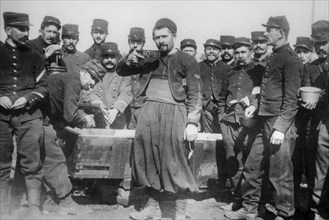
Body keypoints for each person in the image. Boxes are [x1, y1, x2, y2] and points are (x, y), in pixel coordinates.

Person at [117, 18, 203, 220]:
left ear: (174, 35)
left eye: (164, 36)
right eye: (156, 37)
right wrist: (128, 58)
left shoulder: (188, 60)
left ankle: (178, 211)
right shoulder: (150, 58)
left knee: (175, 161)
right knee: (148, 159)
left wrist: (192, 122)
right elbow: (122, 70)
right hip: (149, 111)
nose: (161, 41)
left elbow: (196, 94)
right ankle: (151, 206)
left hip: (175, 112)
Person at [28, 15, 92, 215]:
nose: (53, 36)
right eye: (50, 31)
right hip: (28, 110)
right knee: (29, 157)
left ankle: (60, 199)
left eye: (56, 32)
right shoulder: (32, 49)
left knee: (50, 154)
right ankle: (31, 203)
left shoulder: (58, 52)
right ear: (40, 31)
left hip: (46, 112)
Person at [255, 15, 303, 220]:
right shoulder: (274, 56)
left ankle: (286, 213)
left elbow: (292, 99)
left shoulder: (290, 59)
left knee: (281, 171)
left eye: (269, 30)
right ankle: (269, 208)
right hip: (267, 119)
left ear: (281, 32)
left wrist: (280, 128)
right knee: (263, 167)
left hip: (279, 122)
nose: (265, 33)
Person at [0, 12, 48, 217]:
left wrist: (28, 98)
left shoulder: (35, 55)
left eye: (28, 29)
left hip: (29, 116)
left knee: (32, 163)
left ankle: (34, 208)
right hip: (1, 117)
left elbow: (44, 86)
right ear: (7, 30)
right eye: (21, 29)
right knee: (1, 163)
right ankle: (2, 207)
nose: (26, 33)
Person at [216, 37, 264, 219]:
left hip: (250, 124)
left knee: (251, 166)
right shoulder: (230, 72)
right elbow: (222, 97)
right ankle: (237, 201)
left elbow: (263, 97)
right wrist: (222, 116)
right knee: (232, 162)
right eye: (237, 52)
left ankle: (249, 205)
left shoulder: (260, 71)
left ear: (251, 52)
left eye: (243, 52)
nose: (239, 56)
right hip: (228, 122)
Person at [199, 39, 231, 191]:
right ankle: (206, 178)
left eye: (214, 49)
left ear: (219, 52)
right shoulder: (199, 67)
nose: (211, 52)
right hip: (205, 110)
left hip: (222, 110)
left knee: (224, 144)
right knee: (208, 144)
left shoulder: (226, 68)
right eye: (208, 49)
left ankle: (223, 180)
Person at [83, 42, 132, 129]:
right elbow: (89, 93)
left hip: (117, 117)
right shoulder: (92, 70)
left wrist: (115, 110)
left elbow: (126, 92)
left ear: (117, 56)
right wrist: (101, 108)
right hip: (96, 116)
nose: (109, 60)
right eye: (106, 56)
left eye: (112, 57)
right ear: (101, 57)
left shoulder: (124, 72)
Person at [309, 20, 329, 220]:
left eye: (324, 42)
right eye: (317, 43)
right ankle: (319, 211)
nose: (320, 47)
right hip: (325, 123)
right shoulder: (318, 66)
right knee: (321, 169)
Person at [124, 27, 146, 129]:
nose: (135, 45)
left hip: (144, 108)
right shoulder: (123, 60)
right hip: (126, 108)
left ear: (143, 43)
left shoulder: (148, 61)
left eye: (139, 42)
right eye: (133, 42)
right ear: (129, 42)